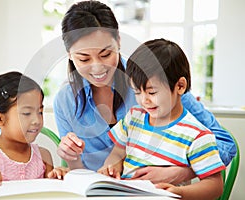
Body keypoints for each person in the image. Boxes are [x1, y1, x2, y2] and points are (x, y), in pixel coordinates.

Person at [53, 0, 235, 184]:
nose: (97, 67)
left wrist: (183, 171)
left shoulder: (154, 80)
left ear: (118, 41)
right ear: (69, 54)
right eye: (84, 59)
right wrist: (71, 159)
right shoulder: (65, 101)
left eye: (106, 54)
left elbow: (225, 144)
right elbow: (80, 173)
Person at [98, 38, 226, 199]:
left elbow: (215, 186)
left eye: (152, 92)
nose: (144, 100)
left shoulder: (197, 135)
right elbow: (118, 152)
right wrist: (112, 167)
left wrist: (180, 192)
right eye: (137, 92)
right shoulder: (133, 118)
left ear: (180, 86)